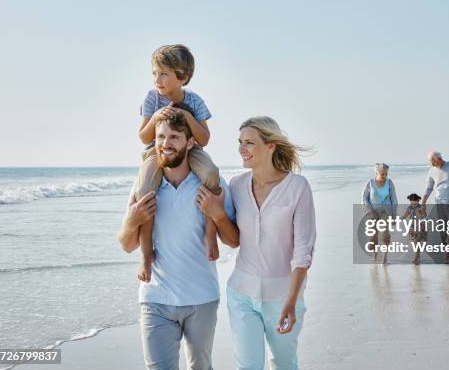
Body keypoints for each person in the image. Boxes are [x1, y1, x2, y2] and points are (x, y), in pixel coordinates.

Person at [117, 110, 237, 370]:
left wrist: (216, 213)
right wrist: (132, 219)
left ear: (190, 142)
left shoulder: (211, 184)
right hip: (155, 298)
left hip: (201, 297)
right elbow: (127, 245)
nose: (165, 143)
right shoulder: (145, 186)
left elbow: (233, 240)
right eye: (160, 137)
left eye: (174, 137)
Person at [197, 116, 316, 370]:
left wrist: (291, 302)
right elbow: (234, 240)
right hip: (241, 293)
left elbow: (303, 251)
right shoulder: (237, 185)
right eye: (240, 142)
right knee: (248, 366)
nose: (242, 149)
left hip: (283, 297)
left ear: (270, 146)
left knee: (284, 364)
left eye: (249, 143)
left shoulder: (297, 187)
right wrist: (216, 214)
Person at [134, 44, 221, 283]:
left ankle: (210, 236)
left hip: (190, 149)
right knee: (143, 192)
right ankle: (145, 254)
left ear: (182, 76)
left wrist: (188, 118)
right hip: (156, 152)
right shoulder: (152, 98)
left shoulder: (194, 100)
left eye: (163, 74)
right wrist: (155, 118)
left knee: (212, 174)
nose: (157, 79)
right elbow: (143, 136)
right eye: (154, 73)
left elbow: (204, 138)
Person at [362, 163, 398, 265]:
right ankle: (374, 255)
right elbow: (364, 198)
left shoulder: (390, 183)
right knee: (373, 235)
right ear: (376, 172)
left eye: (386, 174)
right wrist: (369, 210)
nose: (384, 176)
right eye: (382, 174)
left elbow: (394, 199)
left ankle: (384, 258)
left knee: (385, 234)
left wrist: (394, 216)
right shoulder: (370, 183)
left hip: (385, 212)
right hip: (373, 212)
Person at [401, 193, 428, 265]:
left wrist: (421, 212)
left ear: (418, 201)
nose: (413, 205)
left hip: (420, 225)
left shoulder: (420, 207)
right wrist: (399, 219)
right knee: (413, 242)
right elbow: (405, 215)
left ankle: (416, 258)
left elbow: (425, 215)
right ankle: (417, 256)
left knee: (417, 241)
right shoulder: (409, 207)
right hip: (412, 226)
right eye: (412, 204)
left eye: (415, 204)